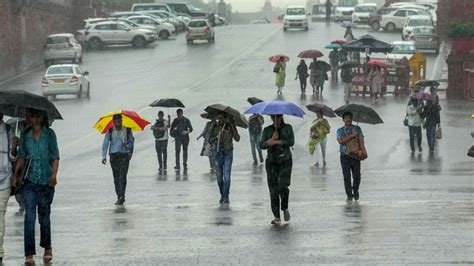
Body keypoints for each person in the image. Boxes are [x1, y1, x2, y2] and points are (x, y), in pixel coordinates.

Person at [13, 109, 59, 264]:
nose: (35, 119)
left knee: (44, 217)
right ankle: (29, 254)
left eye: (38, 116)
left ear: (42, 117)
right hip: (30, 182)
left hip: (46, 182)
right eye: (32, 116)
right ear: (29, 118)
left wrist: (54, 175)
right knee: (29, 216)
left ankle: (47, 247)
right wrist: (16, 174)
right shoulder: (25, 136)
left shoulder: (50, 135)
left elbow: (55, 156)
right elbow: (21, 157)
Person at [260, 115, 294, 225]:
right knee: (273, 190)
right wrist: (270, 140)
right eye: (274, 117)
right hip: (271, 162)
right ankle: (276, 216)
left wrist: (278, 141)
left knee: (282, 185)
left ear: (281, 117)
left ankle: (284, 207)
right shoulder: (267, 130)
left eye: (278, 117)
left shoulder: (288, 128)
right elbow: (261, 145)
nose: (276, 119)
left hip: (285, 161)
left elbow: (291, 141)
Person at [102, 114, 134, 205]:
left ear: (122, 121)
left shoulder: (127, 130)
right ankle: (119, 195)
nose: (117, 123)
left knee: (123, 176)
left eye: (119, 121)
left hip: (124, 156)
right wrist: (103, 156)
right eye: (115, 122)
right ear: (113, 122)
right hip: (114, 156)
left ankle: (122, 195)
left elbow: (131, 142)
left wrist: (127, 145)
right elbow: (105, 144)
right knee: (116, 177)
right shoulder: (110, 131)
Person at [0, 113, 19, 264]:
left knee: (0, 215)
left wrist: (14, 148)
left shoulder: (8, 130)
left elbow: (13, 157)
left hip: (4, 180)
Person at [209, 114, 240, 204]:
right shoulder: (214, 127)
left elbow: (237, 138)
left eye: (222, 118)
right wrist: (216, 137)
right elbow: (209, 140)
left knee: (227, 176)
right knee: (219, 177)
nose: (220, 120)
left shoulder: (230, 126)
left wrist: (233, 126)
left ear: (226, 118)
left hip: (228, 153)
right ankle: (222, 194)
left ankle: (226, 196)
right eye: (219, 118)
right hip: (218, 153)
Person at [336, 111, 366, 201]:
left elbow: (361, 139)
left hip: (356, 155)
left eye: (350, 118)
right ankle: (349, 195)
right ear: (343, 120)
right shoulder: (340, 130)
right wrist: (352, 135)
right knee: (346, 176)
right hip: (344, 156)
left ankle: (355, 190)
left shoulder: (357, 128)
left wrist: (361, 150)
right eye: (346, 118)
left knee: (357, 175)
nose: (348, 120)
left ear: (352, 119)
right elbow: (341, 141)